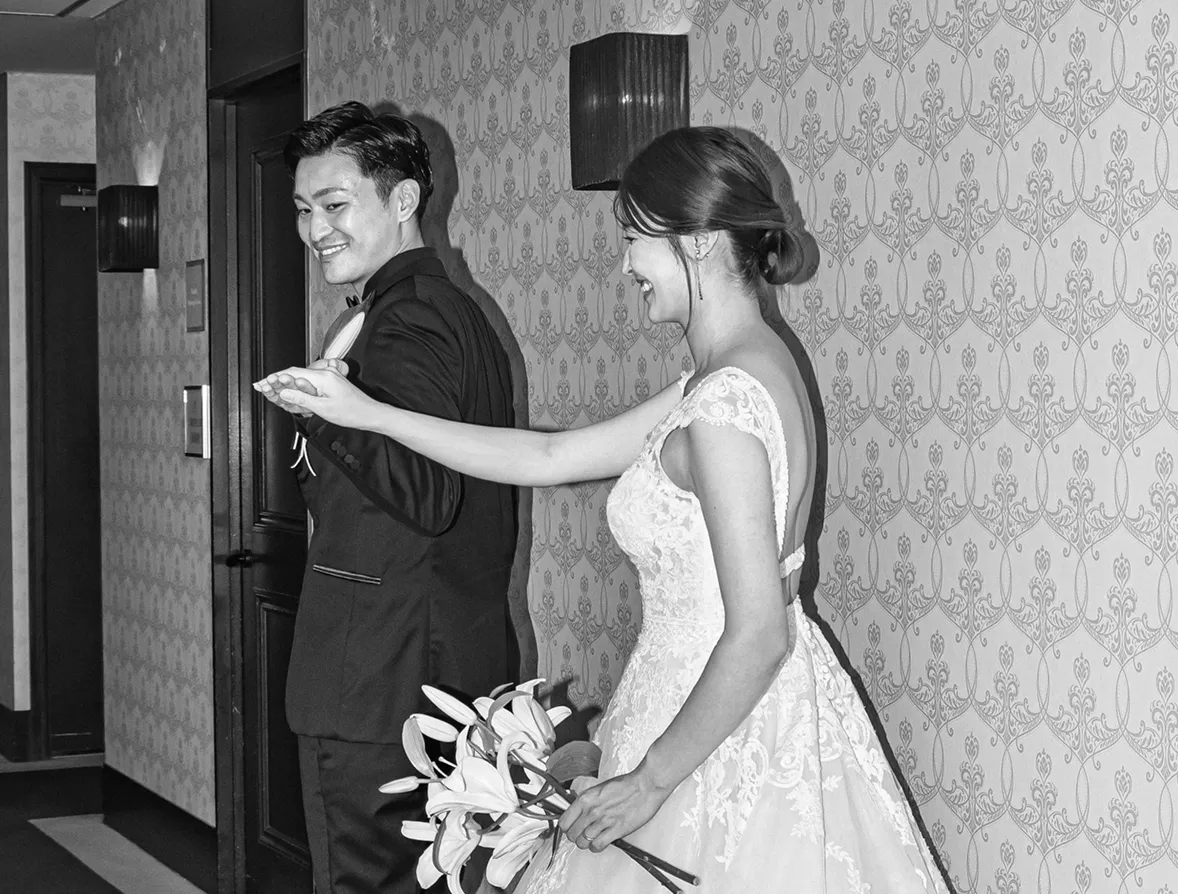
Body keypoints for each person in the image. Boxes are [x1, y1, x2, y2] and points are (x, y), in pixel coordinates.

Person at [259, 126, 949, 892]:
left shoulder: (724, 404)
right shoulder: (733, 372)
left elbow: (759, 634)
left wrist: (648, 782)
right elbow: (550, 458)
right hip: (706, 699)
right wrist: (368, 414)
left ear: (696, 241)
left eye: (633, 240)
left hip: (716, 725)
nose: (625, 266)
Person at [274, 101, 519, 894]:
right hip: (424, 669)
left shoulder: (409, 320)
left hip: (382, 682)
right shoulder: (427, 310)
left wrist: (326, 412)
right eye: (304, 209)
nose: (315, 229)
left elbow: (427, 492)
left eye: (334, 205)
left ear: (404, 199)